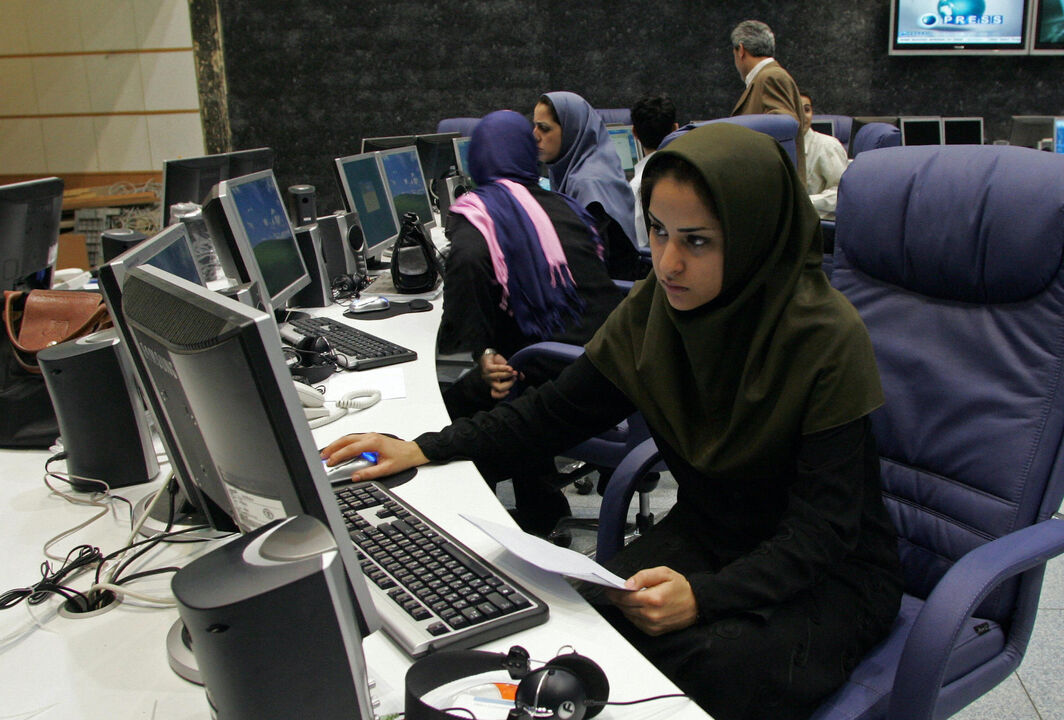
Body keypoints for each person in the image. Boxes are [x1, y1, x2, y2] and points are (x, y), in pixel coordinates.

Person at [322, 123, 903, 720]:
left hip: (831, 572)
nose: (669, 262)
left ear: (754, 238)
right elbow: (553, 413)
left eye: (697, 241)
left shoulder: (824, 339)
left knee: (706, 669)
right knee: (580, 631)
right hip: (713, 533)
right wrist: (425, 448)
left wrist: (704, 597)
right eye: (658, 230)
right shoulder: (658, 308)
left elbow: (824, 532)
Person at [437, 109, 626, 535]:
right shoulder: (566, 205)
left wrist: (481, 353)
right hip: (613, 362)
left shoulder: (478, 215)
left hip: (566, 382)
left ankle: (469, 531)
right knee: (514, 358)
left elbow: (466, 270)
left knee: (456, 399)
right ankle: (542, 504)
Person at [533, 91, 644, 280]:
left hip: (611, 294)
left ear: (571, 131)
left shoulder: (587, 185)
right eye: (534, 126)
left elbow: (589, 266)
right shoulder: (581, 168)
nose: (535, 136)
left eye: (544, 128)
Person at [730, 19, 808, 178]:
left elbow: (783, 127)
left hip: (772, 190)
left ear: (741, 50)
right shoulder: (766, 77)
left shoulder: (771, 76)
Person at [628, 93, 679, 245]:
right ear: (675, 129)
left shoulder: (635, 186)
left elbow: (640, 242)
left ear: (634, 133)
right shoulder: (689, 174)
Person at [799, 90, 849, 220]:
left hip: (820, 223)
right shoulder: (781, 146)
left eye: (807, 110)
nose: (803, 116)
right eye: (796, 110)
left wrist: (803, 203)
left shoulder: (827, 146)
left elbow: (841, 192)